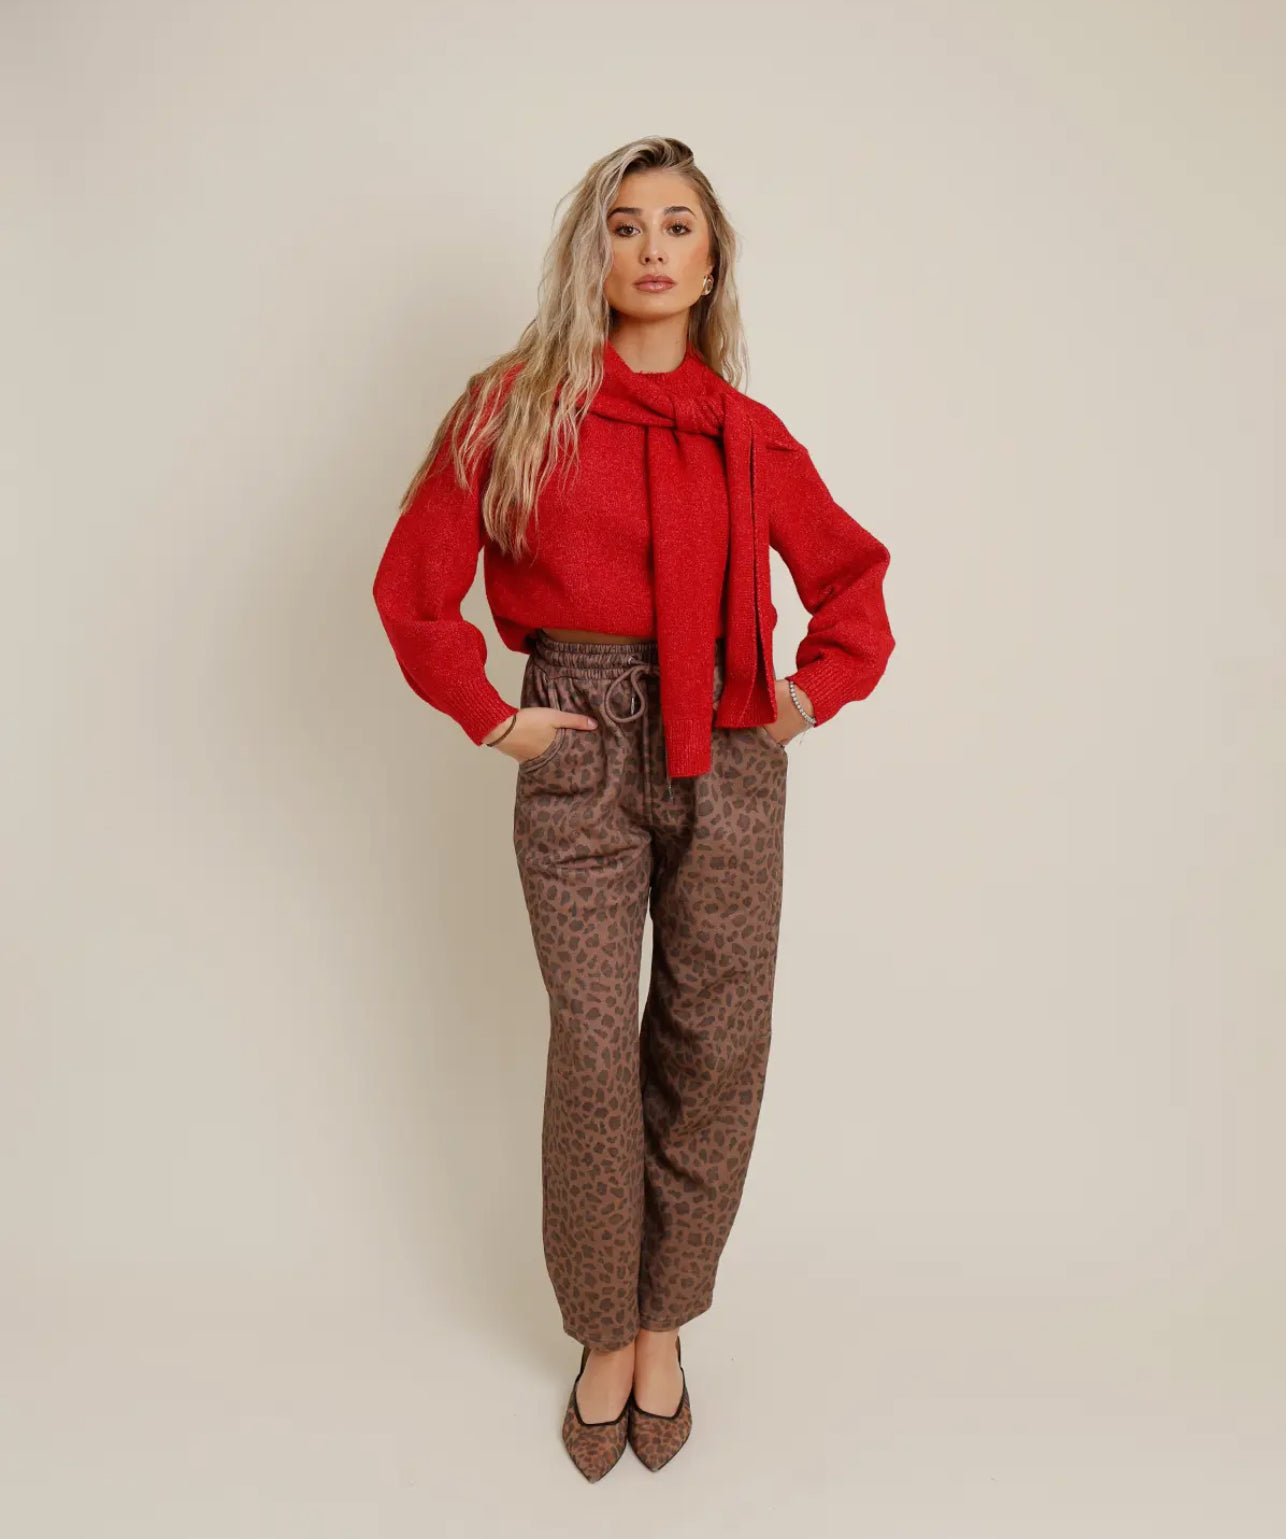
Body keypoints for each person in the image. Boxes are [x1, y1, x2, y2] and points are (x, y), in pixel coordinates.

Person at [371, 135, 896, 1480]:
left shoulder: (745, 434)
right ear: (589, 255)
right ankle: (602, 1327)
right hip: (582, 739)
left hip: (728, 744)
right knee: (596, 1044)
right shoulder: (515, 408)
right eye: (623, 225)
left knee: (713, 1044)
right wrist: (492, 712)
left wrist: (807, 694)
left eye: (677, 225)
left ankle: (667, 1321)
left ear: (712, 262)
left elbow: (852, 581)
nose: (651, 248)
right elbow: (412, 584)